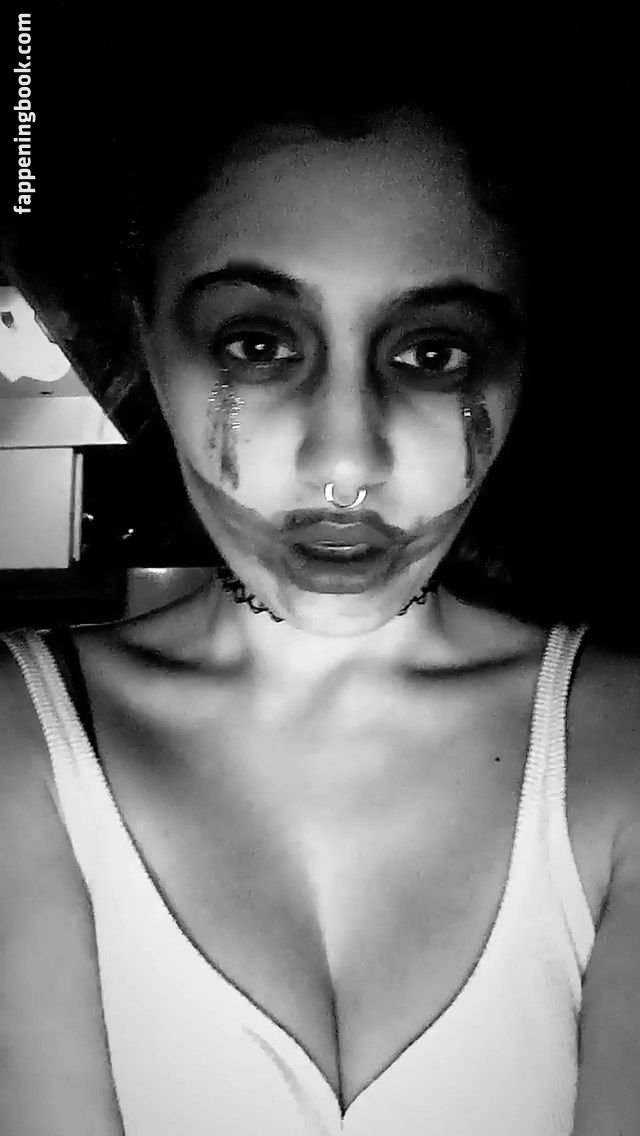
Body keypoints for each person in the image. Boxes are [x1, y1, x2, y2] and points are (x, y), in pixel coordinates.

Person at [1, 77, 639, 1136]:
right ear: (147, 339)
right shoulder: (21, 733)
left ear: (521, 361)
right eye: (257, 345)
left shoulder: (622, 743)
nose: (346, 463)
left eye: (432, 353)